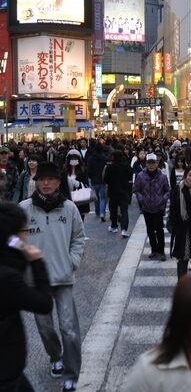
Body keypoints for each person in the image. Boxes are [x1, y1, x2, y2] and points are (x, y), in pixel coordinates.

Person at [19, 162, 86, 392]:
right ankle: (55, 356)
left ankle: (71, 373)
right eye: (42, 179)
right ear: (36, 182)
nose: (46, 183)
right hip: (37, 282)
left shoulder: (69, 209)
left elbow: (78, 238)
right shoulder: (24, 209)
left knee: (69, 328)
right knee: (45, 327)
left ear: (58, 181)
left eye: (50, 179)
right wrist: (21, 252)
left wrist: (73, 261)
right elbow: (9, 237)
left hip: (63, 277)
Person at [0, 202, 53, 392]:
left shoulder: (7, 256)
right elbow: (44, 304)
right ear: (13, 236)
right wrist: (37, 263)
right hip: (6, 374)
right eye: (24, 230)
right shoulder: (7, 277)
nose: (26, 235)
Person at [133, 153, 171, 260]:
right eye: (149, 163)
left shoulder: (162, 176)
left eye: (153, 163)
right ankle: (154, 249)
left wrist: (162, 200)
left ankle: (161, 251)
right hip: (146, 207)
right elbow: (136, 190)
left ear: (156, 163)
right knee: (150, 230)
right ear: (146, 163)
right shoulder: (141, 176)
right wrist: (141, 199)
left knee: (159, 230)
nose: (151, 165)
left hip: (158, 208)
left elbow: (167, 191)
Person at [103, 150, 133, 238]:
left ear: (113, 157)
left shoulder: (109, 167)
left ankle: (114, 226)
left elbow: (105, 180)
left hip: (112, 192)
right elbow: (131, 176)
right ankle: (124, 229)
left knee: (113, 210)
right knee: (124, 211)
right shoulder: (126, 166)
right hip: (124, 191)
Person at [60, 149, 90, 222]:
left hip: (80, 200)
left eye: (76, 159)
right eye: (72, 159)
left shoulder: (83, 171)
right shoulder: (64, 172)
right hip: (67, 200)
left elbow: (86, 185)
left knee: (79, 221)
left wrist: (78, 184)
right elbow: (61, 186)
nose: (74, 161)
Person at [86, 142, 108, 222]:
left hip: (94, 180)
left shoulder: (91, 158)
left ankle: (97, 211)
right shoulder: (104, 158)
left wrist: (90, 177)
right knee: (103, 197)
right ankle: (102, 213)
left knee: (96, 198)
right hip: (102, 180)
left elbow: (88, 170)